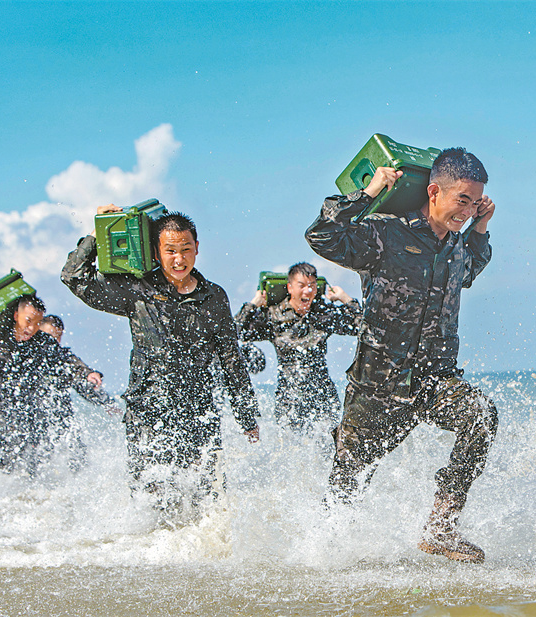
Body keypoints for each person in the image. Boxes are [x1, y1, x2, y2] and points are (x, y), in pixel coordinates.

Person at [305, 147, 498, 564]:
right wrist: (367, 192)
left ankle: (441, 526)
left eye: (475, 200)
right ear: (433, 191)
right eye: (461, 200)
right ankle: (322, 559)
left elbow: (470, 270)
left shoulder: (457, 245)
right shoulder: (387, 232)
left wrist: (480, 228)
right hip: (379, 384)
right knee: (348, 481)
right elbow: (321, 236)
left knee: (481, 415)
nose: (466, 209)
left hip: (434, 379)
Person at [61, 209, 260, 519]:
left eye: (185, 249)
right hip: (147, 414)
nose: (178, 259)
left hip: (198, 412)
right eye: (169, 251)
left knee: (208, 502)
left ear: (197, 247)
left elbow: (231, 359)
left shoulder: (215, 297)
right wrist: (100, 233)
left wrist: (247, 417)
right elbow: (74, 277)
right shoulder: (138, 291)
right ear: (155, 251)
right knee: (153, 506)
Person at [0, 294, 96, 476]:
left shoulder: (41, 341)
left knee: (34, 458)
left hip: (29, 412)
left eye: (37, 322)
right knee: (15, 451)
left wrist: (88, 372)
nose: (31, 328)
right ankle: (5, 491)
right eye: (28, 321)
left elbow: (65, 358)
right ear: (16, 315)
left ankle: (29, 497)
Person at [235, 262, 360, 431]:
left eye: (312, 286)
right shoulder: (274, 316)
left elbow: (361, 327)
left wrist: (346, 299)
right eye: (301, 286)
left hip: (323, 398)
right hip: (289, 400)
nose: (307, 291)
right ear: (290, 288)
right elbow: (236, 332)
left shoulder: (323, 314)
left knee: (332, 449)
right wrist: (252, 305)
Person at [38, 314, 120, 472]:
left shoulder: (61, 358)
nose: (52, 343)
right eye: (49, 336)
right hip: (37, 421)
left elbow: (79, 373)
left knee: (77, 450)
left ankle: (77, 487)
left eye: (57, 338)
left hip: (62, 419)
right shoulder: (30, 355)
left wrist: (106, 402)